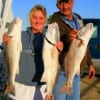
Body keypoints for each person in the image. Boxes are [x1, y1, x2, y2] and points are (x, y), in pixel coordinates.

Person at [3, 4, 63, 100]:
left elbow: (55, 68)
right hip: (18, 86)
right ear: (30, 18)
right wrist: (6, 44)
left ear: (45, 20)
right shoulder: (20, 35)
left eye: (41, 18)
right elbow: (6, 59)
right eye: (34, 17)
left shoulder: (50, 38)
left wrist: (58, 53)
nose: (37, 21)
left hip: (39, 88)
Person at [49, 0, 95, 100]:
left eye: (67, 2)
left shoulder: (78, 18)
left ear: (72, 3)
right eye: (61, 3)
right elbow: (54, 42)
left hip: (77, 71)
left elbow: (84, 43)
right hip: (62, 70)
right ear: (57, 5)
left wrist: (90, 63)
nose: (65, 6)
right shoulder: (54, 21)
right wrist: (67, 39)